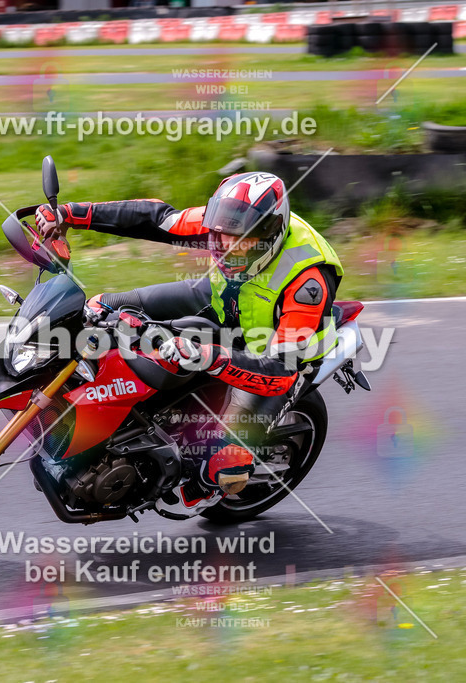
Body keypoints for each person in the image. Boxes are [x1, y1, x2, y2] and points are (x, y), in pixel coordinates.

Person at [36, 172, 344, 515]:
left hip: (277, 355)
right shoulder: (231, 220)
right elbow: (155, 218)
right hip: (225, 301)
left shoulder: (308, 283)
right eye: (219, 238)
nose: (226, 250)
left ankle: (209, 474)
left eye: (238, 242)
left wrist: (211, 356)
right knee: (104, 305)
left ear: (268, 234)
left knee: (222, 468)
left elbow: (280, 373)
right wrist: (71, 214)